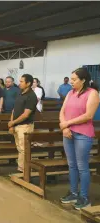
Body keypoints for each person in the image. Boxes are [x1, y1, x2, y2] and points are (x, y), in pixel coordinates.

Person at [59, 68, 99, 210]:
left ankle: (84, 197)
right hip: (68, 133)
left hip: (83, 134)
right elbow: (62, 111)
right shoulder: (70, 93)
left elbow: (88, 115)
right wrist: (64, 128)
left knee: (82, 166)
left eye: (74, 79)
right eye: (71, 79)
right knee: (72, 165)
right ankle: (73, 192)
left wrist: (67, 124)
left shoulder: (92, 93)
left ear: (83, 80)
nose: (71, 82)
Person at [8, 74, 38, 172]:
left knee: (24, 149)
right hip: (17, 125)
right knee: (20, 149)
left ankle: (25, 170)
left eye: (21, 81)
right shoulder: (20, 92)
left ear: (28, 83)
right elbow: (14, 109)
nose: (19, 83)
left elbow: (26, 115)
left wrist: (13, 122)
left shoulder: (31, 96)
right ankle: (21, 169)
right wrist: (12, 123)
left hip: (25, 126)